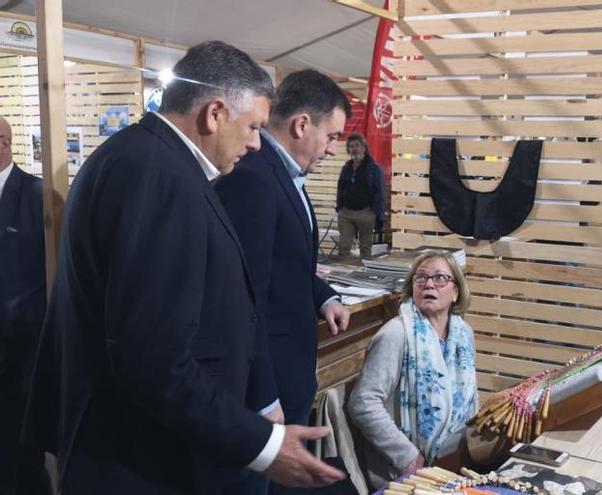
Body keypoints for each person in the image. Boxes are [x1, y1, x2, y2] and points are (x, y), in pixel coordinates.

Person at [23, 42, 344, 494]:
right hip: (134, 457)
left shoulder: (150, 159)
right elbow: (153, 357)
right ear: (214, 113)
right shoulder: (157, 176)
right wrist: (262, 445)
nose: (256, 143)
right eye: (252, 127)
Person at [214, 70, 352, 493]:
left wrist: (323, 295)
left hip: (284, 377)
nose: (333, 150)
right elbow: (242, 294)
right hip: (263, 386)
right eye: (332, 136)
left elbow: (286, 266)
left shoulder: (283, 175)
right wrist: (263, 396)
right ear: (302, 124)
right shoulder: (254, 178)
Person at [348, 250, 478, 489]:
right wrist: (407, 456)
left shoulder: (464, 334)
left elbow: (471, 401)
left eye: (440, 278)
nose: (429, 284)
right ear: (412, 288)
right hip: (404, 472)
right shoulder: (396, 334)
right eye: (421, 278)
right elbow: (363, 403)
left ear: (456, 291)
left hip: (455, 462)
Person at [0, 116, 51, 495]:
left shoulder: (37, 196)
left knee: (22, 454)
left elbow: (51, 276)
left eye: (1, 138)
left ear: (8, 142)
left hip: (21, 353)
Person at [335, 132, 385, 259]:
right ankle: (342, 276)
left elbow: (379, 192)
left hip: (365, 213)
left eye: (357, 145)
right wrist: (339, 208)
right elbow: (340, 188)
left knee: (365, 250)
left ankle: (363, 276)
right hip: (346, 213)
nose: (354, 149)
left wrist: (376, 214)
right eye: (351, 146)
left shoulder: (374, 168)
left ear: (364, 147)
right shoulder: (346, 168)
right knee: (343, 247)